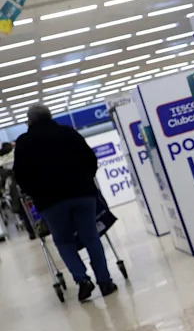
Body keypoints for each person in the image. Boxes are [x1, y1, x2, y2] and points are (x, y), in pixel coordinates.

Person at [13, 104, 117, 302]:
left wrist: (33, 192)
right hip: (81, 193)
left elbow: (20, 175)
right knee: (91, 238)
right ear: (50, 116)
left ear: (30, 121)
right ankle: (105, 282)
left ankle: (82, 279)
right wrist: (86, 178)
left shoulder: (24, 142)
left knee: (63, 241)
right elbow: (90, 158)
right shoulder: (68, 133)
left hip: (50, 201)